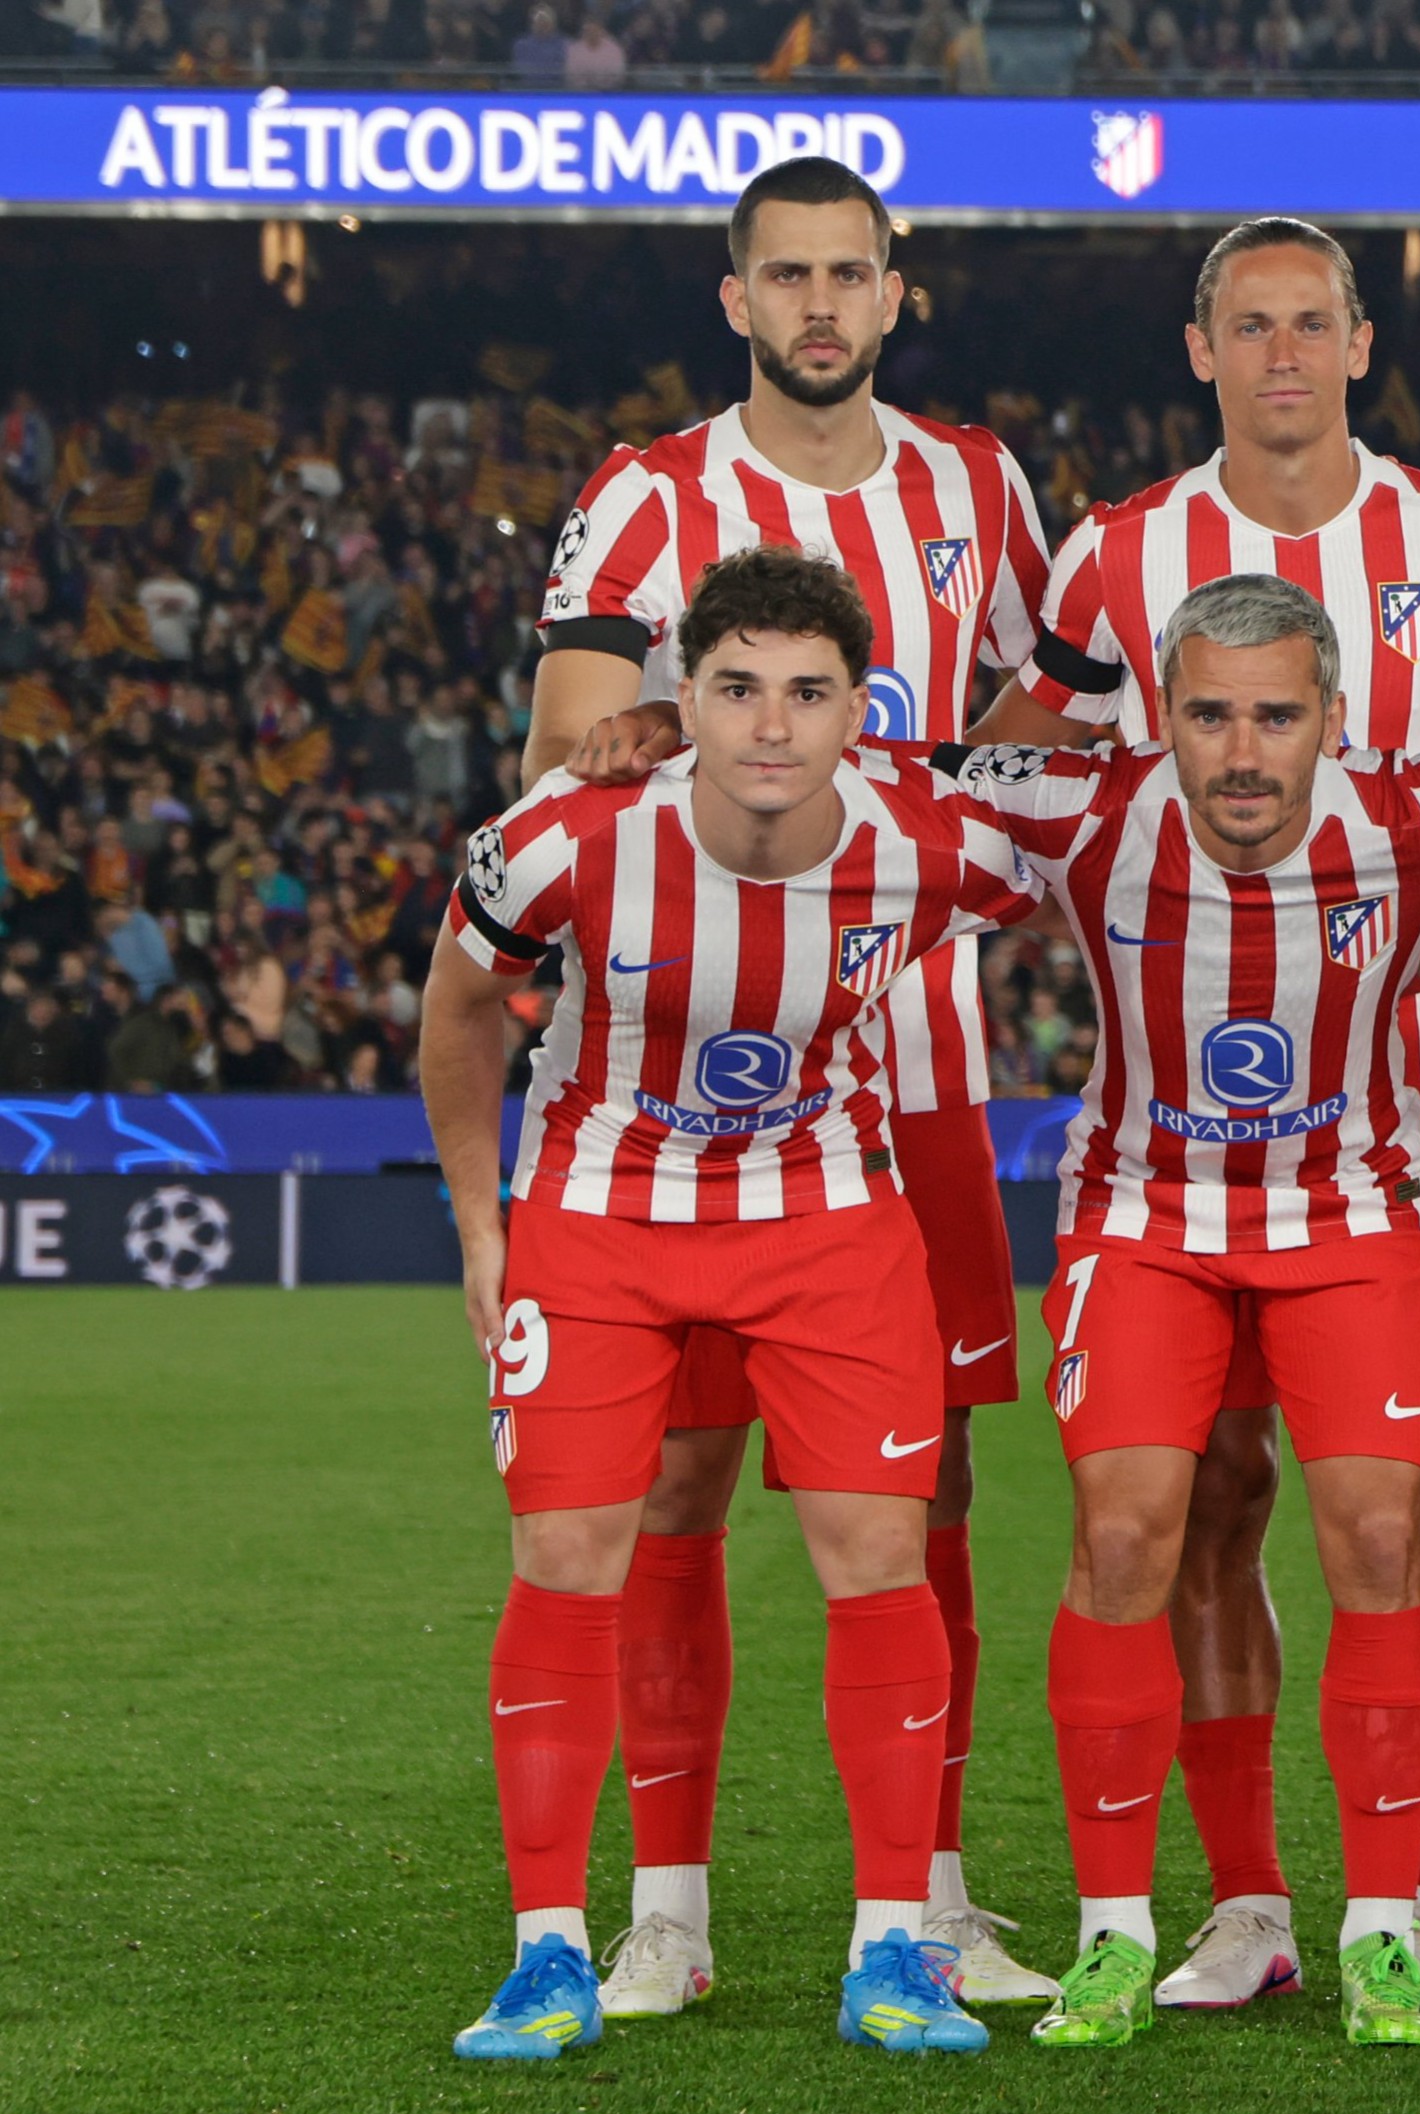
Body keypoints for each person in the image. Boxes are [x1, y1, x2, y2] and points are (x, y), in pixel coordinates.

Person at [967, 215, 1420, 2017]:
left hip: (1412, 1093)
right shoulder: (1120, 552)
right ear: (1202, 348)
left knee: (1414, 1493)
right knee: (1199, 1496)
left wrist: (1409, 930)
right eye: (1252, 327)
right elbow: (1019, 772)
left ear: (1361, 344)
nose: (1285, 355)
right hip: (1170, 1122)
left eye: (1314, 324)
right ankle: (1241, 1899)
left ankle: (1404, 1889)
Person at [530, 153, 1061, 2017]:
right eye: (788, 277)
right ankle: (664, 1905)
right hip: (675, 1089)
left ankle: (929, 1892)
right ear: (733, 295)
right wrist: (669, 731)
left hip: (909, 1065)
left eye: (852, 275)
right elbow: (564, 756)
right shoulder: (645, 495)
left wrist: (918, 814)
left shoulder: (979, 486)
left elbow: (1047, 709)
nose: (821, 307)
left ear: (897, 292)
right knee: (672, 1485)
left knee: (933, 1493)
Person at [419, 547, 1049, 2063]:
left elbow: (1101, 851)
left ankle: (894, 1949)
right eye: (736, 688)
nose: (772, 726)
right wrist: (477, 1226)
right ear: (679, 700)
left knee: (878, 1555)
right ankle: (549, 1954)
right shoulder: (561, 840)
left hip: (828, 1219)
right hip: (600, 1218)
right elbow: (454, 1015)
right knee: (569, 1555)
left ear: (859, 714)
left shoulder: (935, 841)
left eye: (809, 694)